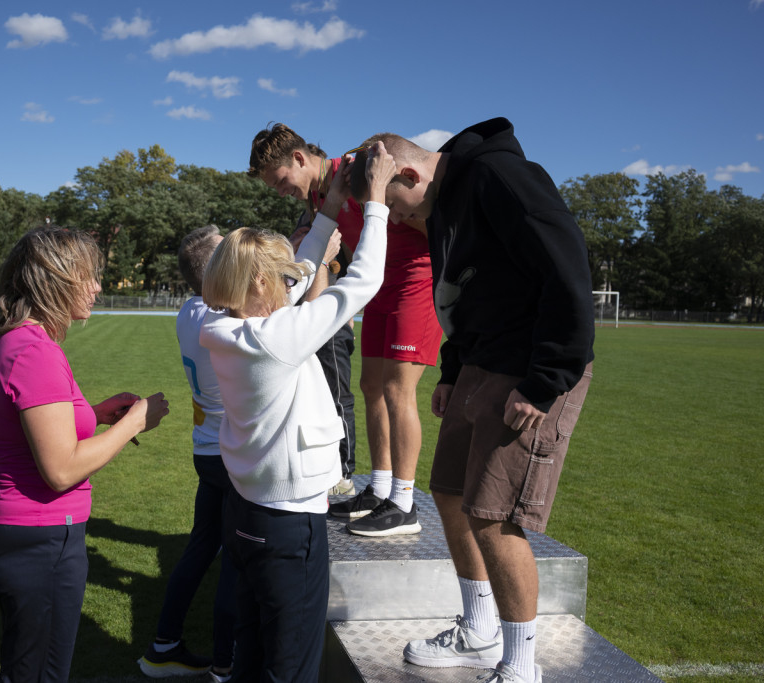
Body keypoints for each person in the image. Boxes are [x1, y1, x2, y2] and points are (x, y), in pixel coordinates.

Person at [348, 119, 596, 683]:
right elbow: (459, 290)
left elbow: (567, 269)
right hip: (479, 366)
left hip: (531, 370)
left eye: (397, 207)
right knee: (450, 492)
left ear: (410, 173)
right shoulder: (441, 204)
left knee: (495, 516)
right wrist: (453, 370)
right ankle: (479, 630)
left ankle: (520, 666)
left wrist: (544, 380)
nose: (404, 221)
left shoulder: (498, 177)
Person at [199, 147, 394, 682]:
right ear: (260, 285)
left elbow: (301, 267)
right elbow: (362, 283)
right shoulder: (276, 338)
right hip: (288, 527)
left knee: (253, 653)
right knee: (292, 668)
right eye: (277, 277)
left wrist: (330, 204)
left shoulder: (227, 325)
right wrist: (373, 201)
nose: (292, 281)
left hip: (247, 515)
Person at [0, 225, 170, 683]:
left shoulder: (30, 343)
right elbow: (60, 469)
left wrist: (99, 414)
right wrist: (132, 424)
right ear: (54, 280)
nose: (98, 287)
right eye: (88, 276)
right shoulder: (32, 350)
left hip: (34, 538)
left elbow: (39, 425)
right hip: (38, 541)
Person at [249, 123, 444, 535]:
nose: (281, 190)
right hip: (375, 286)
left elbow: (431, 223)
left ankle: (404, 504)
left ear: (300, 159)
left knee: (397, 389)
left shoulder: (359, 170)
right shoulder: (322, 197)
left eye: (282, 180)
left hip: (415, 281)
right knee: (371, 387)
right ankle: (379, 488)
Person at [138, 225, 235, 682]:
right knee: (235, 560)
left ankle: (164, 645)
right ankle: (224, 665)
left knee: (201, 549)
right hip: (230, 456)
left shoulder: (188, 312)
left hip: (206, 449)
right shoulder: (223, 322)